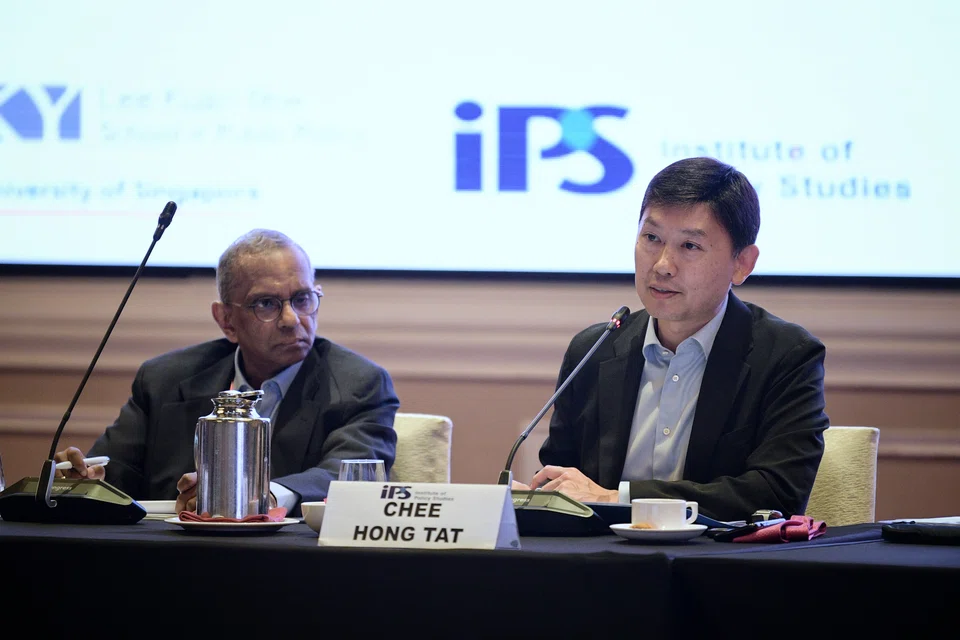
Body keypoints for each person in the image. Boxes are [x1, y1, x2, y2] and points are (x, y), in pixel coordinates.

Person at [516, 157, 829, 520]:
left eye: (689, 246)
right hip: (601, 566)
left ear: (742, 263)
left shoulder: (786, 357)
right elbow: (565, 481)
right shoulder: (593, 350)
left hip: (718, 566)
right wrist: (537, 499)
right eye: (652, 238)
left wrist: (621, 498)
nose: (662, 264)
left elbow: (776, 493)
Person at [55, 229, 399, 515]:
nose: (292, 320)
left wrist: (262, 497)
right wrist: (88, 480)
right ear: (226, 320)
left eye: (303, 298)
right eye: (266, 303)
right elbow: (114, 474)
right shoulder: (163, 380)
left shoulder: (360, 384)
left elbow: (349, 477)